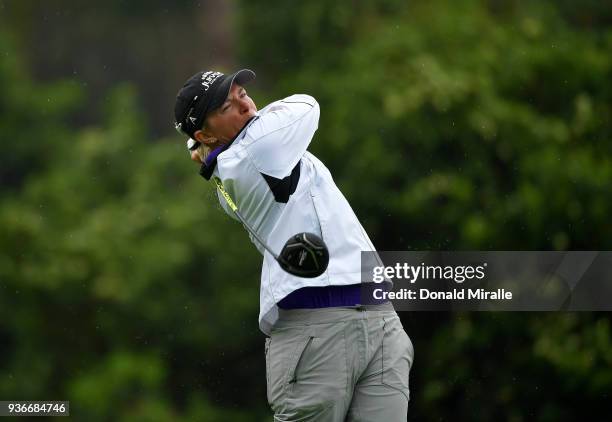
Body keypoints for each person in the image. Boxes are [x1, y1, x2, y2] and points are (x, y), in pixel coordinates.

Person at [174, 69, 414, 421]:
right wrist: (216, 143)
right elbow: (307, 104)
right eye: (228, 105)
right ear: (204, 132)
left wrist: (206, 145)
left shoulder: (244, 153)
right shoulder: (255, 149)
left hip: (377, 316)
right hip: (316, 328)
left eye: (242, 93)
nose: (245, 104)